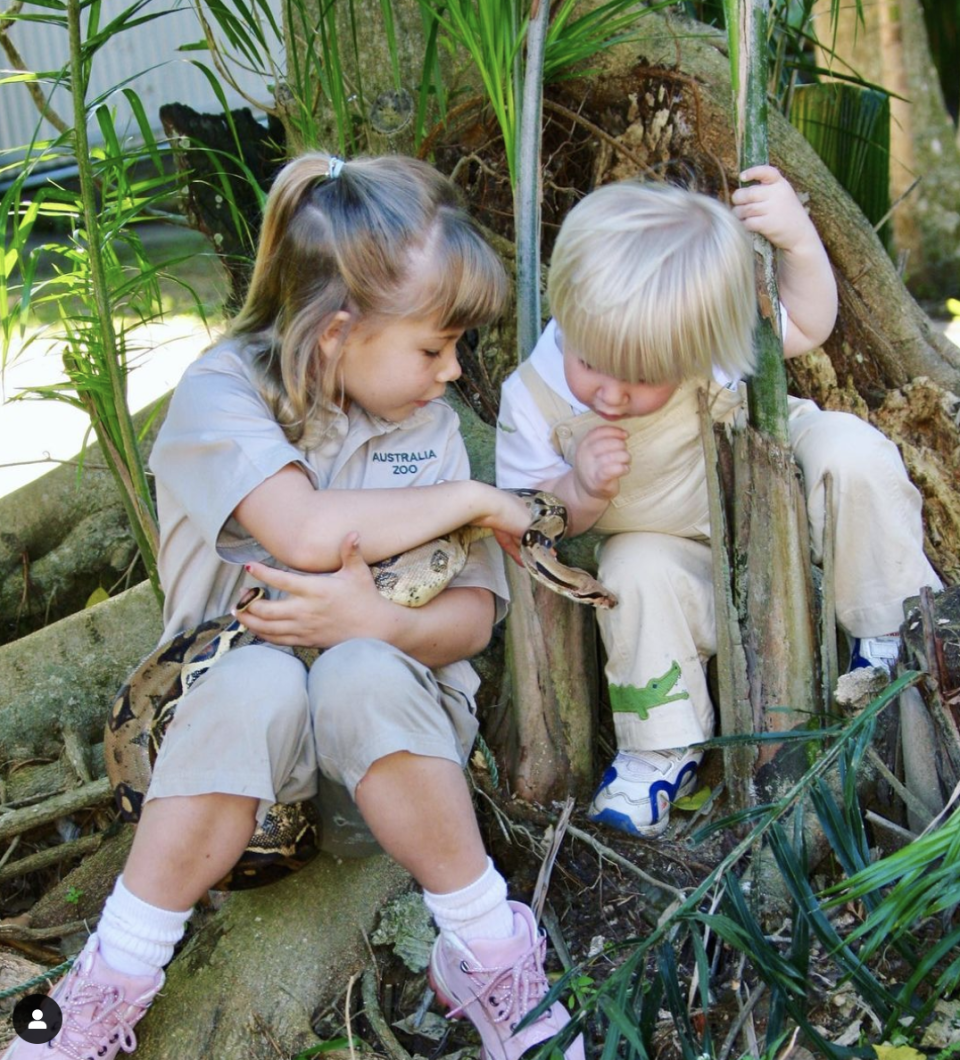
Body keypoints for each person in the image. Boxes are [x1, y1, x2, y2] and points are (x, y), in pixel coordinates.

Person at [4, 154, 584, 1060]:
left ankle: (488, 952)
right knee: (256, 683)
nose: (452, 373)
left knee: (359, 668)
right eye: (435, 348)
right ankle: (102, 990)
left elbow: (473, 618)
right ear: (335, 332)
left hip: (388, 777)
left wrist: (379, 623)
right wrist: (476, 501)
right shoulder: (220, 393)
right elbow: (306, 530)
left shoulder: (424, 430)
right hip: (230, 790)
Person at [496, 165, 943, 839]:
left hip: (773, 498)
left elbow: (811, 321)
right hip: (679, 553)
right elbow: (528, 525)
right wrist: (577, 491)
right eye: (591, 364)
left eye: (643, 379)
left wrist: (797, 239)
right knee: (632, 572)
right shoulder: (532, 397)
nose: (612, 395)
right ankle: (661, 748)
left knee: (852, 453)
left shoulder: (699, 339)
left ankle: (894, 630)